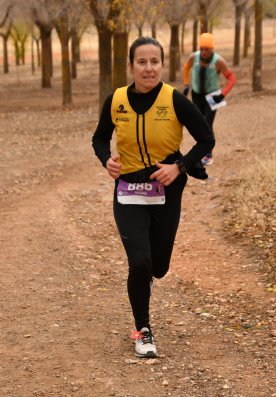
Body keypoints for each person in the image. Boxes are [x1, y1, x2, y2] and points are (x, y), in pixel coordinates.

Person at [92, 37, 215, 358]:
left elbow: (206, 139)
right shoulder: (116, 100)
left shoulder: (174, 99)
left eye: (155, 62)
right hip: (129, 190)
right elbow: (99, 138)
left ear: (162, 64)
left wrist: (180, 166)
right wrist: (107, 159)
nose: (149, 68)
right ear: (131, 66)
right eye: (142, 62)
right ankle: (143, 330)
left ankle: (147, 279)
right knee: (140, 261)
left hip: (167, 190)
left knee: (158, 267)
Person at [182, 32, 236, 166]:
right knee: (199, 123)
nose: (204, 52)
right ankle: (200, 153)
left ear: (212, 49)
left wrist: (223, 94)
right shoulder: (193, 57)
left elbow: (232, 78)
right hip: (196, 95)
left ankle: (208, 154)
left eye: (207, 49)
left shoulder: (218, 61)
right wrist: (186, 85)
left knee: (207, 124)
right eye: (202, 48)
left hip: (212, 97)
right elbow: (186, 67)